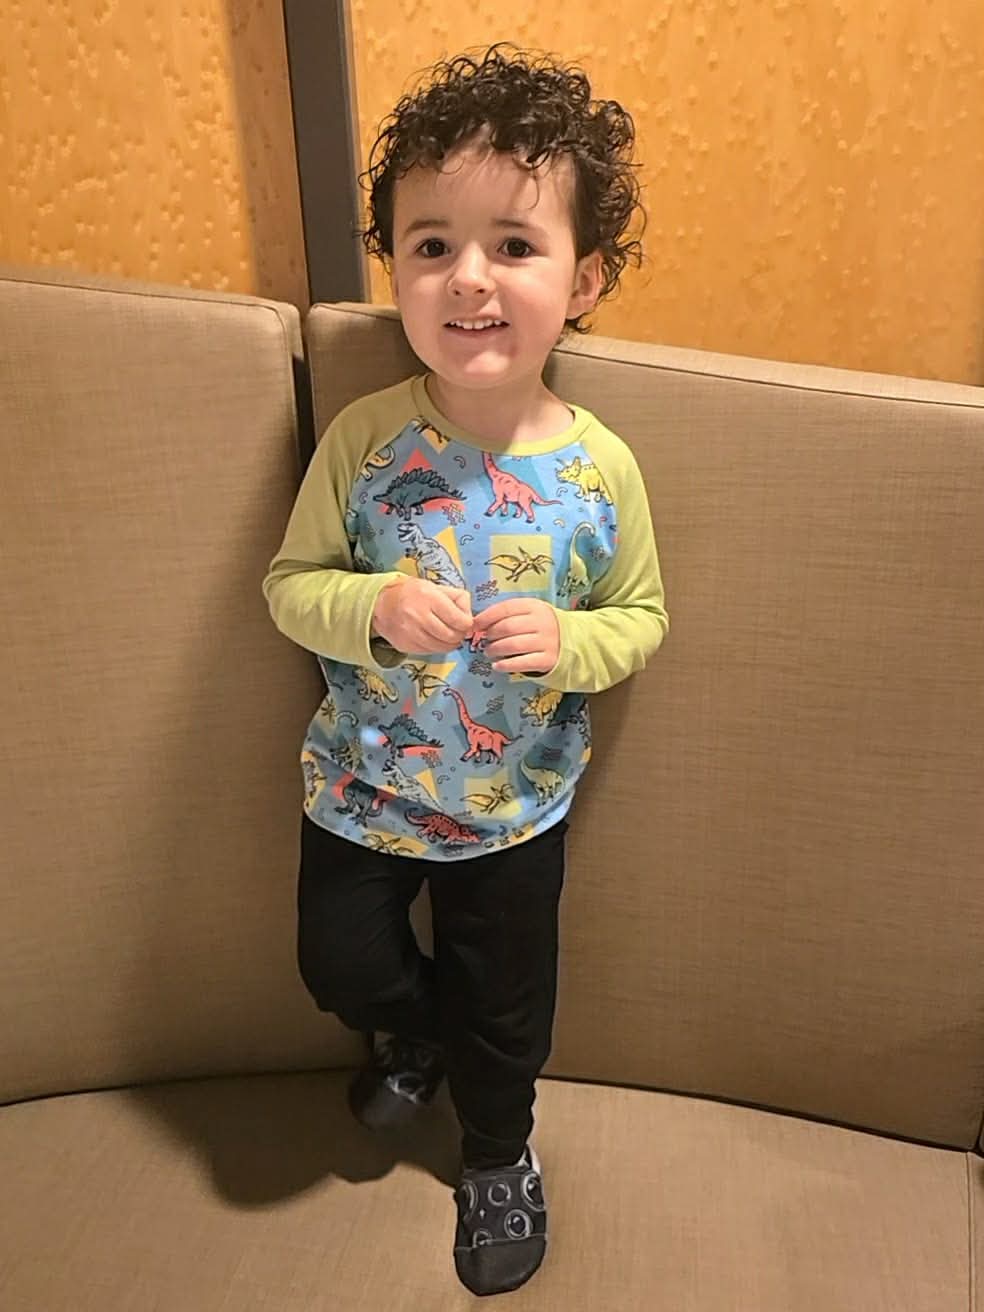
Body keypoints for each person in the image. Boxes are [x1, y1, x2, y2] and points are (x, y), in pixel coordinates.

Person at [262, 42, 668, 1297]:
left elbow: (642, 615)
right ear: (396, 267)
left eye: (515, 244)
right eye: (431, 244)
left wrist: (574, 642)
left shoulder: (600, 469)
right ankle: (416, 1029)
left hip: (514, 805)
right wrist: (373, 606)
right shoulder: (365, 439)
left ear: (583, 279)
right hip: (361, 789)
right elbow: (289, 586)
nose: (469, 277)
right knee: (337, 963)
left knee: (509, 1005)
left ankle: (497, 1151)